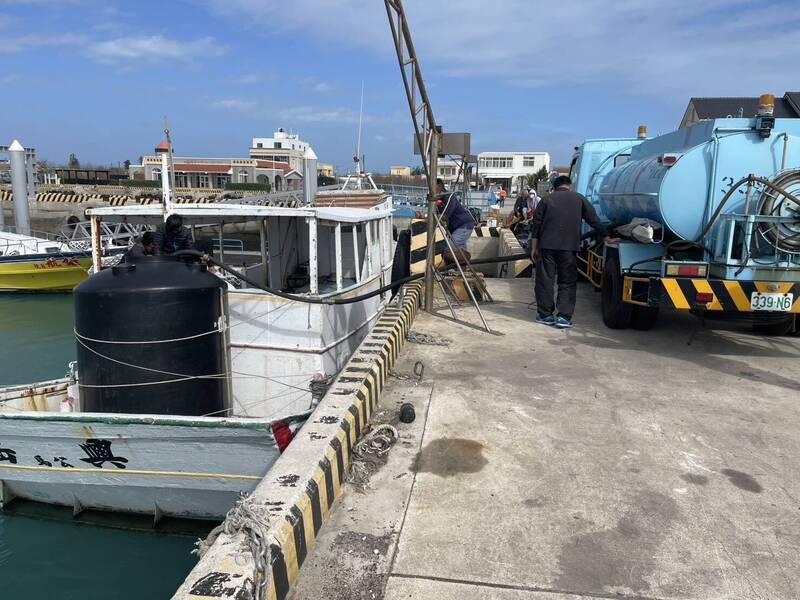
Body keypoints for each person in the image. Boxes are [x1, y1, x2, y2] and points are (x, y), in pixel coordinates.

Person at [530, 175, 607, 329]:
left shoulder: (546, 200)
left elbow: (536, 226)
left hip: (547, 246)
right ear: (569, 186)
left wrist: (533, 248)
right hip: (569, 247)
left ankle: (545, 315)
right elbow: (594, 220)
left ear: (555, 187)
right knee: (567, 281)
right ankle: (564, 317)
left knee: (545, 280)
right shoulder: (579, 199)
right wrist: (607, 236)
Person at [435, 179, 474, 254]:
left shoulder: (449, 197)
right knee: (460, 251)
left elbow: (445, 215)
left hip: (463, 226)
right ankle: (462, 261)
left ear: (439, 187)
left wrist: (434, 215)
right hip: (456, 228)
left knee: (450, 247)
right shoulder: (439, 200)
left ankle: (459, 259)